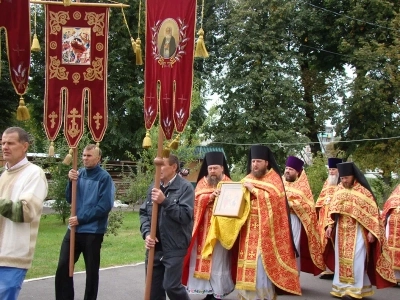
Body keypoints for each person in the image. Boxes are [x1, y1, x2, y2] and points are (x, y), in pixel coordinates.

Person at [235, 145, 301, 299]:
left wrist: (253, 190)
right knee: (246, 262)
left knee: (259, 264)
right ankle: (246, 296)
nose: (255, 165)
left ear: (266, 163)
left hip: (266, 231)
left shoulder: (275, 179)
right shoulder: (247, 179)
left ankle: (262, 295)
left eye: (258, 161)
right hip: (248, 230)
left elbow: (275, 201)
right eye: (253, 161)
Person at [325, 162, 396, 299]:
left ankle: (355, 289)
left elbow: (373, 214)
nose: (343, 181)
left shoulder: (364, 192)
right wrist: (330, 226)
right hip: (341, 230)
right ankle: (340, 288)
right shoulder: (339, 189)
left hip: (358, 231)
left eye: (346, 178)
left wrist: (372, 232)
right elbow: (332, 210)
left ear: (353, 176)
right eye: (342, 178)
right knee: (341, 260)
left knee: (356, 260)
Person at [55, 144, 115, 300]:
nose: (84, 158)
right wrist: (70, 181)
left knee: (91, 271)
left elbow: (104, 206)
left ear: (98, 158)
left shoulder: (104, 177)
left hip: (92, 231)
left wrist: (81, 219)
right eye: (83, 155)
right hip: (73, 230)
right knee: (63, 267)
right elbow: (69, 198)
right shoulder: (78, 173)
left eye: (89, 156)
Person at [0, 127, 48, 299]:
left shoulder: (34, 174)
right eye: (3, 142)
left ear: (25, 146)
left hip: (13, 257)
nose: (5, 147)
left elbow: (26, 212)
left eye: (11, 143)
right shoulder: (3, 175)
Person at [140, 154, 194, 300]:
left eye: (162, 165)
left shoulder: (185, 188)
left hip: (174, 246)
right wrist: (146, 234)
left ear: (174, 167)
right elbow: (144, 213)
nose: (158, 169)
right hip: (154, 248)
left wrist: (165, 201)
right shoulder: (154, 186)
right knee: (153, 291)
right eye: (156, 165)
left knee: (171, 287)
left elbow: (184, 216)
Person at [183, 151, 234, 299]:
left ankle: (217, 292)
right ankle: (206, 292)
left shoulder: (230, 184)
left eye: (215, 168)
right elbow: (195, 201)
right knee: (201, 260)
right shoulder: (201, 183)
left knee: (218, 261)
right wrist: (209, 197)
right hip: (202, 230)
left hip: (220, 232)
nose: (212, 171)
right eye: (210, 168)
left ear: (222, 168)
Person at [282, 156, 325, 276]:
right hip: (280, 220)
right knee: (280, 248)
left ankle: (292, 277)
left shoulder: (303, 188)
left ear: (297, 172)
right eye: (286, 168)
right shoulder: (280, 183)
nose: (287, 171)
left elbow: (308, 207)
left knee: (292, 248)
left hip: (294, 220)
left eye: (291, 169)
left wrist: (289, 203)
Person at [315, 157, 342, 279]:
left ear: (339, 170)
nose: (331, 172)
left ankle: (336, 268)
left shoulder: (342, 184)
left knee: (334, 244)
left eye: (334, 169)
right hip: (323, 219)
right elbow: (321, 200)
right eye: (330, 169)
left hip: (335, 219)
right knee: (323, 243)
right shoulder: (327, 182)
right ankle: (327, 269)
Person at [381, 183, 400, 283]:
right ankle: (393, 275)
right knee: (391, 249)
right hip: (393, 224)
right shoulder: (396, 192)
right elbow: (389, 206)